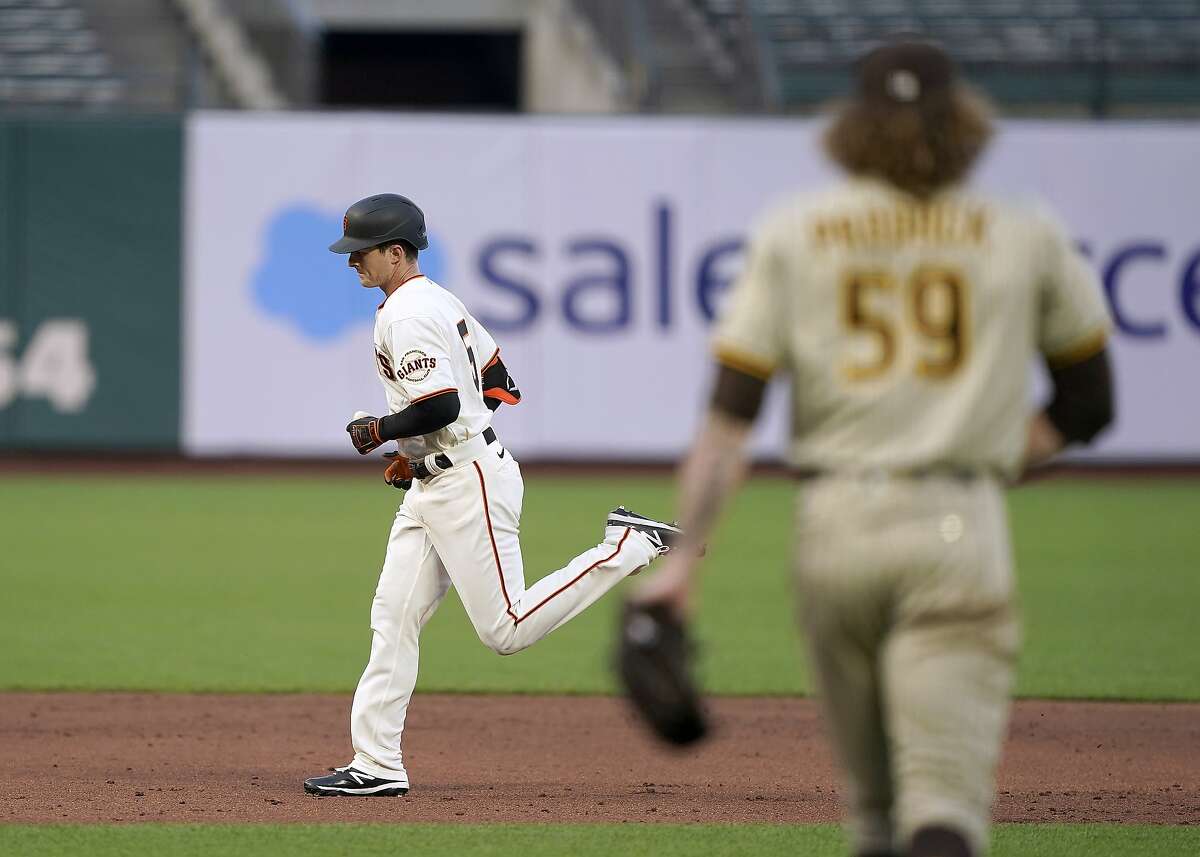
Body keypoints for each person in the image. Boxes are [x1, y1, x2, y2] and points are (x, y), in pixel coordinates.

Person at [631, 41, 1115, 857]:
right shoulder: (1022, 232)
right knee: (945, 811)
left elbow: (728, 423)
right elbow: (1090, 404)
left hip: (835, 520)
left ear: (851, 126)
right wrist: (986, 452)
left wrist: (681, 564)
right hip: (958, 518)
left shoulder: (797, 229)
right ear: (962, 121)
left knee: (873, 817)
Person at [304, 193, 682, 797]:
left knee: (506, 629)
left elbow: (446, 402)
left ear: (396, 253)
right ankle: (376, 764)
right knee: (393, 615)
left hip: (467, 481)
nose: (353, 262)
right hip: (442, 478)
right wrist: (416, 452)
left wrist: (381, 432)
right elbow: (495, 379)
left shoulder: (408, 314)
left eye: (363, 252)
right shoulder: (432, 301)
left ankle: (629, 545)